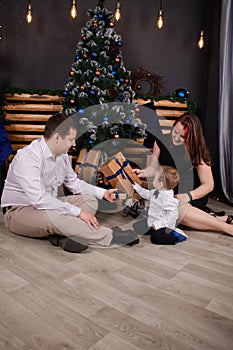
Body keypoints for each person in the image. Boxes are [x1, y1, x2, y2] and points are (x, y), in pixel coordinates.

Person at [1, 113, 139, 253]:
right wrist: (78, 213)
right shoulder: (28, 158)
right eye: (71, 139)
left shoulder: (62, 155)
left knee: (90, 201)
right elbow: (39, 200)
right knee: (56, 218)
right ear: (56, 137)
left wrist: (103, 193)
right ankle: (110, 236)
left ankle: (62, 235)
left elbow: (74, 184)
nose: (74, 144)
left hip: (50, 203)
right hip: (19, 212)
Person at [132, 114, 233, 237]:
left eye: (182, 137)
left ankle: (226, 228)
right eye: (175, 132)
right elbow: (153, 168)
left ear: (191, 138)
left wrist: (188, 196)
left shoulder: (197, 152)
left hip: (191, 195)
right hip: (167, 193)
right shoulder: (160, 142)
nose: (175, 137)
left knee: (173, 211)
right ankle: (214, 218)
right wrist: (143, 172)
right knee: (162, 212)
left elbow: (209, 185)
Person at [133, 165, 187, 244]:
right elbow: (147, 194)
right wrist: (137, 188)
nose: (152, 179)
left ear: (160, 184)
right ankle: (153, 229)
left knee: (155, 238)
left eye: (154, 178)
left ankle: (177, 236)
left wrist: (158, 225)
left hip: (164, 225)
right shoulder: (157, 191)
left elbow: (170, 216)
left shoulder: (168, 199)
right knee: (137, 227)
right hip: (153, 220)